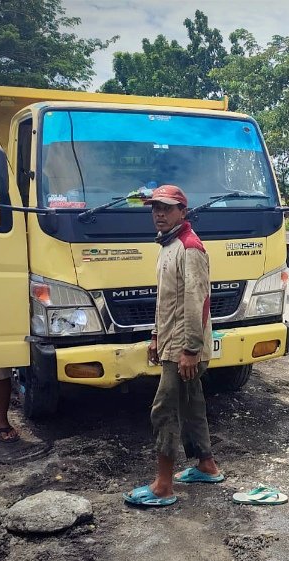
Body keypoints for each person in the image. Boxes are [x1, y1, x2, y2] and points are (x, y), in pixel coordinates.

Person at [124, 184, 223, 507]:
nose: (159, 214)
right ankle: (206, 466)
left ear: (183, 211)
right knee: (191, 404)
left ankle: (163, 486)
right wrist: (155, 336)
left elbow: (197, 303)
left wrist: (190, 350)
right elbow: (166, 300)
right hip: (171, 343)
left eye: (166, 208)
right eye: (155, 208)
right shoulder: (167, 245)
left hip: (185, 347)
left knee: (164, 410)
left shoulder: (189, 247)